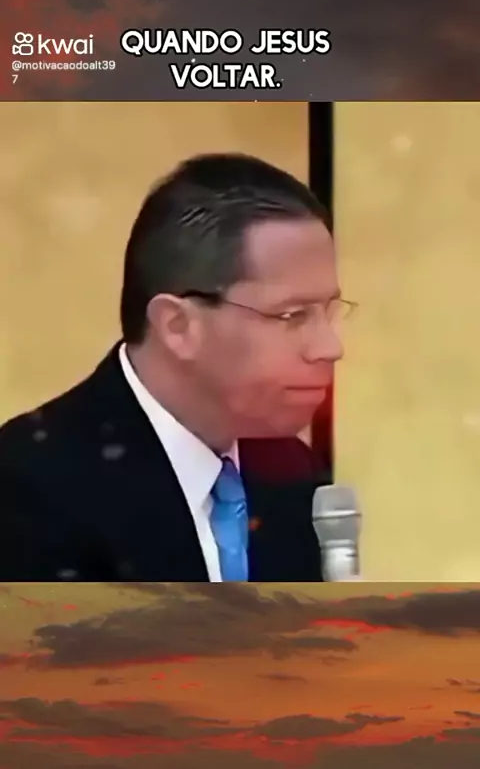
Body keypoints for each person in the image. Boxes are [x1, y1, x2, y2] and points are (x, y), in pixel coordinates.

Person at [0, 152, 348, 582]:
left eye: (328, 312)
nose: (330, 348)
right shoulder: (31, 485)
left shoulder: (290, 469)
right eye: (291, 315)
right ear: (178, 326)